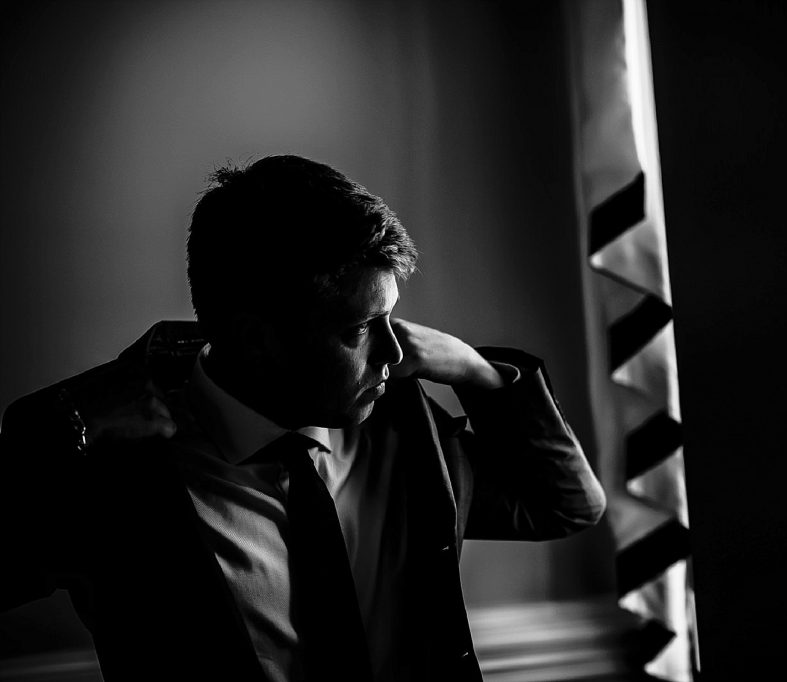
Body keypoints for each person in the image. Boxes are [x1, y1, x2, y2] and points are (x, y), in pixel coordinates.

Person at [0, 155, 606, 682]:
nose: (394, 352)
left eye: (392, 319)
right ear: (254, 337)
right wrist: (59, 437)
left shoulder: (402, 425)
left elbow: (565, 504)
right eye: (360, 329)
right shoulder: (117, 467)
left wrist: (481, 374)